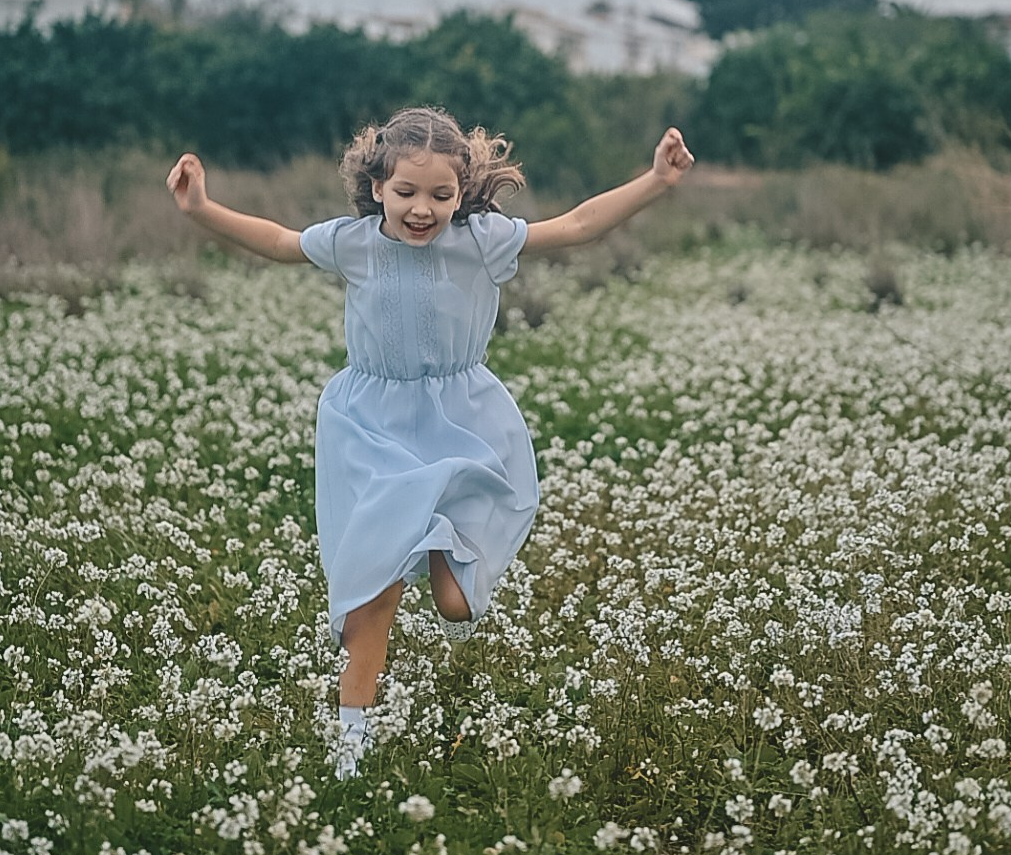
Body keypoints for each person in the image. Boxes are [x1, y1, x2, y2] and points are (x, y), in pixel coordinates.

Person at [166, 106, 694, 776]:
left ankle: (437, 534)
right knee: (371, 601)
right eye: (407, 193)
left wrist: (655, 181)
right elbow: (274, 239)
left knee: (454, 604)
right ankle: (351, 750)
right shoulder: (354, 243)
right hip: (371, 430)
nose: (423, 209)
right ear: (377, 188)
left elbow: (579, 226)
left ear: (462, 192)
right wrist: (201, 209)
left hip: (459, 420)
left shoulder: (480, 241)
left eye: (442, 195)